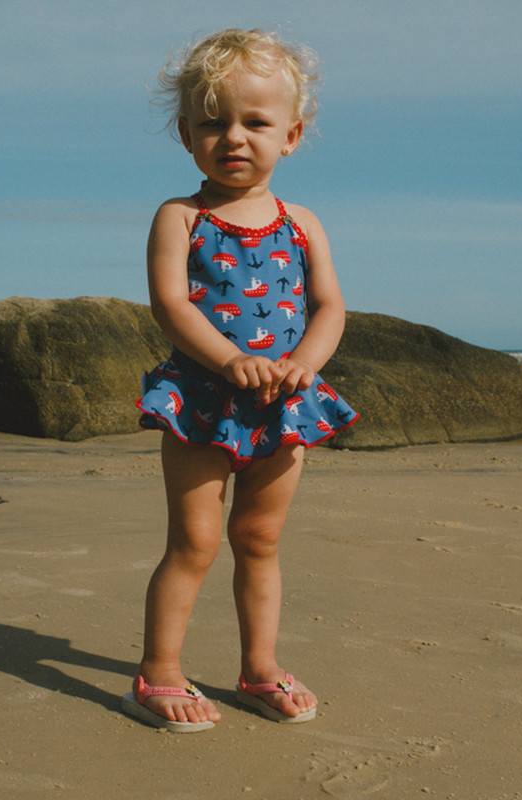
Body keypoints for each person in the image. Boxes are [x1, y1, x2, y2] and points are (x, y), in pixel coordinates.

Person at [125, 29, 357, 733]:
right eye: (212, 122)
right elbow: (170, 304)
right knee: (195, 541)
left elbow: (329, 307)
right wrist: (229, 361)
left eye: (255, 122)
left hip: (283, 405)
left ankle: (259, 667)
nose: (233, 137)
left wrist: (305, 363)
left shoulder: (302, 223)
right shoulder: (181, 217)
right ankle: (160, 670)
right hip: (200, 402)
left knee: (258, 538)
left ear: (291, 135)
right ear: (185, 134)